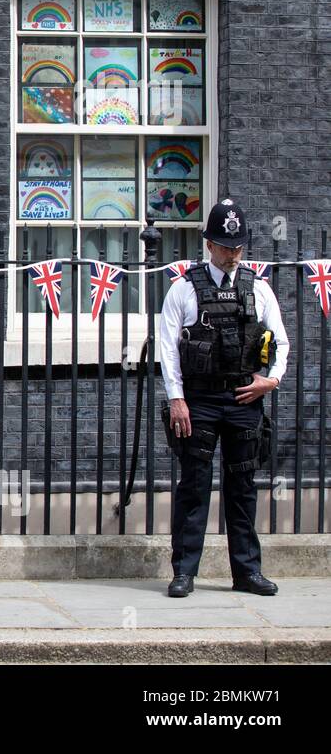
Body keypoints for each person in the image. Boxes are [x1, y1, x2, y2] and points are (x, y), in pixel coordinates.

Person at [157, 199, 287, 598]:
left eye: (238, 247)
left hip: (245, 399)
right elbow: (167, 348)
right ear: (209, 245)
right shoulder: (183, 289)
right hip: (199, 401)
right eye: (225, 246)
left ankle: (247, 572)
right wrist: (177, 399)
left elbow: (281, 341)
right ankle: (184, 572)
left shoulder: (259, 289)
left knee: (243, 487)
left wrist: (272, 380)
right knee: (194, 486)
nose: (232, 254)